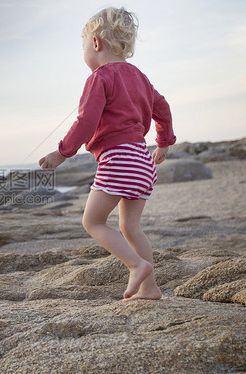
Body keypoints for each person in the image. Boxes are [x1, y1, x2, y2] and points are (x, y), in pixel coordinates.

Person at [39, 7, 176, 301]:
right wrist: (163, 142)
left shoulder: (100, 77)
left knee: (93, 222)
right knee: (131, 227)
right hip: (142, 158)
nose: (85, 51)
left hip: (118, 158)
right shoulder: (139, 77)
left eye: (84, 45)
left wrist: (62, 153)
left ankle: (136, 264)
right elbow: (162, 108)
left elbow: (86, 122)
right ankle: (150, 289)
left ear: (96, 43)